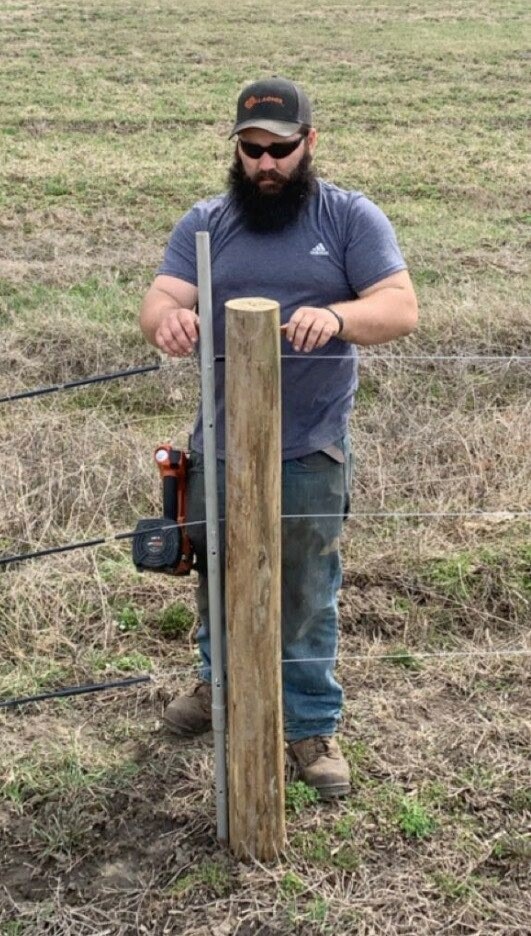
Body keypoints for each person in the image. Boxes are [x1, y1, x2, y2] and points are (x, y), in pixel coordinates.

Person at [140, 77, 418, 799]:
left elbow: (398, 307)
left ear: (309, 143)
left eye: (280, 149)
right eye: (251, 149)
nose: (265, 164)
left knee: (303, 588)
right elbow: (164, 296)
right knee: (216, 576)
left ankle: (308, 726)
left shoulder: (349, 218)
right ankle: (217, 687)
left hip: (307, 445)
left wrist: (338, 319)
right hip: (220, 444)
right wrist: (165, 320)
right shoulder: (205, 221)